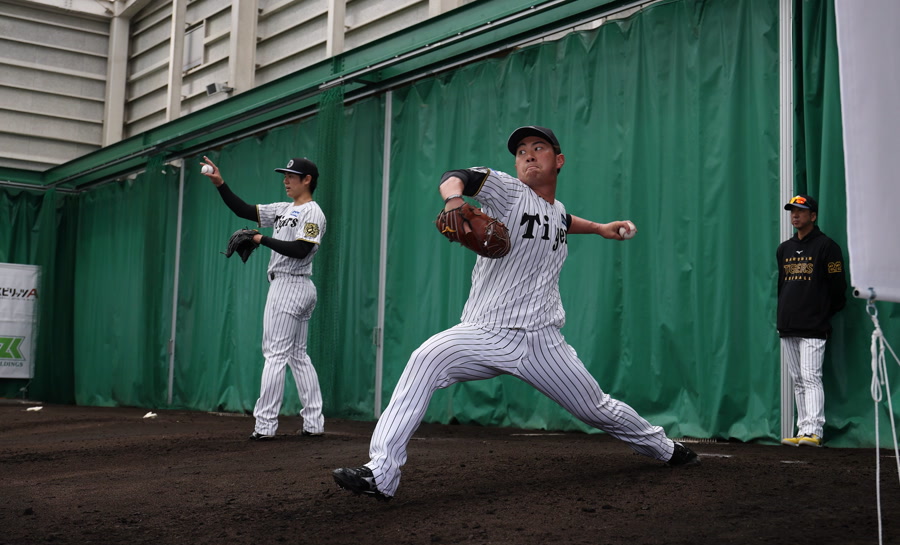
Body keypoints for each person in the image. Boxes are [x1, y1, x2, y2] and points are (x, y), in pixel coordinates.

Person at [332, 126, 699, 501]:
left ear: (559, 161)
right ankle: (382, 472)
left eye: (539, 148)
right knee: (426, 358)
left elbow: (562, 220)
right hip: (487, 332)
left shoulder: (555, 211)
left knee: (596, 407)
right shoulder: (507, 191)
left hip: (544, 343)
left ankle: (664, 448)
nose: (528, 154)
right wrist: (453, 198)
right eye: (521, 151)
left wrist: (600, 228)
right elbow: (456, 176)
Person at [201, 155, 326, 440]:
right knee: (298, 356)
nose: (286, 180)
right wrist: (220, 184)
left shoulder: (313, 213)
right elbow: (243, 209)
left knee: (275, 355)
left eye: (291, 176)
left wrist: (260, 239)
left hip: (289, 286)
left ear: (307, 180)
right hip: (297, 287)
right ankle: (314, 423)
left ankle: (265, 425)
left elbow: (301, 250)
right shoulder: (284, 208)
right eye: (285, 175)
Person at [777, 194, 847, 448]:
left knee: (810, 377)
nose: (795, 215)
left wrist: (822, 312)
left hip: (814, 325)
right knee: (798, 379)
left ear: (813, 216)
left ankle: (815, 431)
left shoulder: (828, 247)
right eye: (792, 211)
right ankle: (803, 429)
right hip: (788, 324)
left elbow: (838, 288)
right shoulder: (784, 249)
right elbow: (782, 286)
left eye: (801, 211)